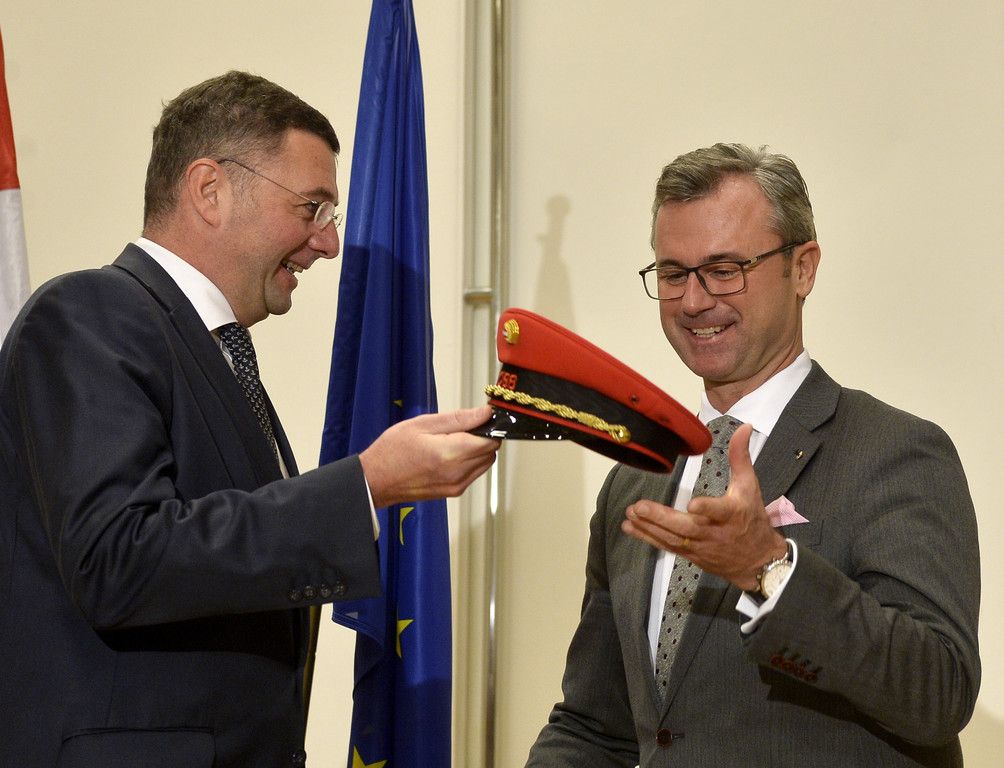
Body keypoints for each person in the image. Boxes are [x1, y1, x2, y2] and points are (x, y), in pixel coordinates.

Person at [0, 71, 498, 768]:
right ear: (210, 190)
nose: (327, 243)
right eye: (312, 208)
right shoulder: (88, 315)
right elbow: (118, 560)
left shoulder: (221, 356)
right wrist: (363, 485)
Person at [525, 143, 980, 767]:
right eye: (673, 274)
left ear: (803, 269)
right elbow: (595, 727)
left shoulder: (896, 452)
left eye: (724, 269)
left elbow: (939, 693)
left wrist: (769, 569)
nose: (693, 301)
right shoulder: (635, 481)